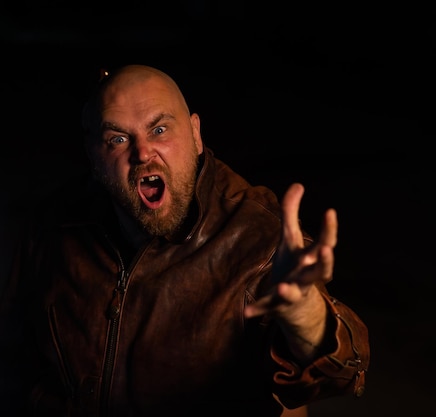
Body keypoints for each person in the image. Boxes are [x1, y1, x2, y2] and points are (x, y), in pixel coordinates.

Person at [0, 64, 369, 416]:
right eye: (117, 138)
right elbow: (16, 360)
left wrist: (304, 316)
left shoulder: (257, 235)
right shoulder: (51, 226)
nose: (142, 152)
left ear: (195, 134)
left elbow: (336, 375)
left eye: (159, 130)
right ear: (94, 156)